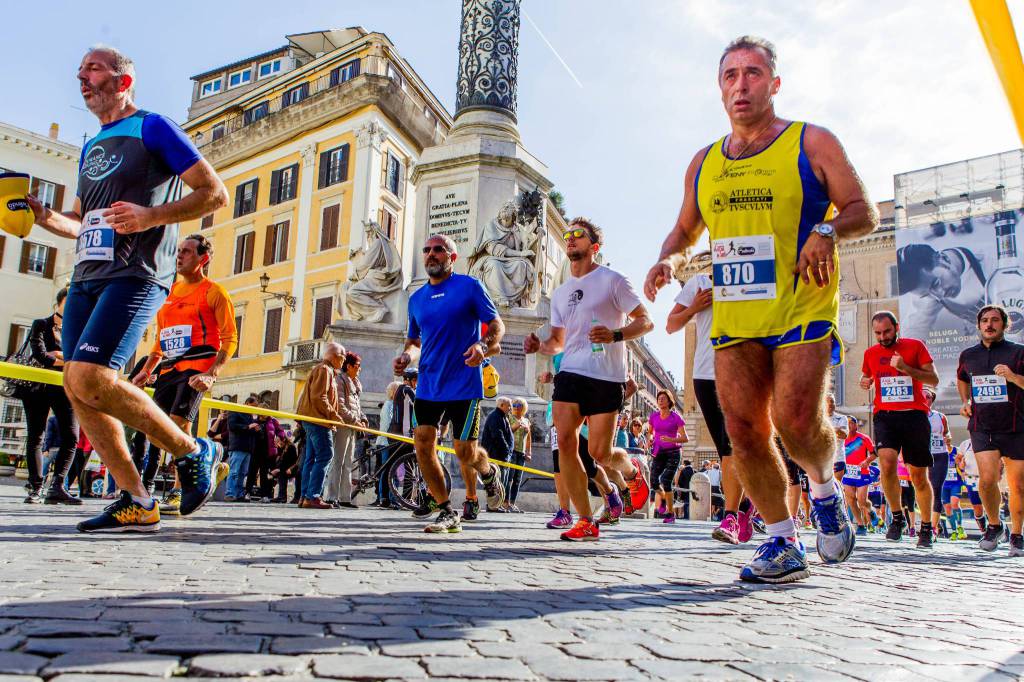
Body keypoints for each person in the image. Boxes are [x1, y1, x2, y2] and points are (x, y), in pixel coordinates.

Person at [643, 36, 878, 581]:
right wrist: (665, 259)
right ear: (720, 88)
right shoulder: (704, 162)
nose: (741, 84)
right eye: (730, 75)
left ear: (774, 84)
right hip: (735, 313)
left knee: (795, 420)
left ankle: (823, 489)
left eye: (753, 73)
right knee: (744, 430)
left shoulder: (811, 141)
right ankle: (781, 541)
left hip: (802, 303)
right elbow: (684, 228)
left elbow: (861, 210)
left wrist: (825, 229)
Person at [28, 46, 228, 532]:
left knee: (93, 377)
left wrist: (151, 216)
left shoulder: (153, 127)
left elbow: (213, 193)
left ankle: (192, 450)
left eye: (93, 69)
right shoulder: (92, 145)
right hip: (87, 277)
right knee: (78, 388)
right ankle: (136, 499)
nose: (82, 78)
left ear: (123, 79)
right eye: (79, 72)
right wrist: (42, 217)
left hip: (137, 273)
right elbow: (80, 222)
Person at [525, 217, 653, 541]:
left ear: (594, 247)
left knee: (600, 453)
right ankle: (585, 519)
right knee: (566, 442)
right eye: (567, 234)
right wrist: (540, 346)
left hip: (607, 376)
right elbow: (558, 341)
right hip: (570, 372)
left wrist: (615, 334)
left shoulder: (613, 280)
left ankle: (630, 472)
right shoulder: (561, 293)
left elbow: (646, 321)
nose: (570, 239)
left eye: (578, 235)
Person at [392, 234, 506, 533]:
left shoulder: (469, 286)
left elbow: (497, 325)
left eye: (438, 250)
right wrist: (406, 355)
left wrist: (482, 345)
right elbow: (415, 340)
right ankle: (445, 510)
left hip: (464, 384)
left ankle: (488, 470)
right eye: (426, 249)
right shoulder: (416, 299)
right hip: (429, 383)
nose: (431, 255)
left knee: (465, 452)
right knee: (422, 446)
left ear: (452, 257)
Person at [130, 234, 236, 513]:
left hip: (196, 369)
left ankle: (180, 489)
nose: (179, 256)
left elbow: (230, 339)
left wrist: (212, 374)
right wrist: (147, 370)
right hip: (168, 369)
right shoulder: (169, 292)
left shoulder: (214, 292)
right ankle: (206, 454)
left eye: (187, 252)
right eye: (179, 251)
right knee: (156, 430)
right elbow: (161, 338)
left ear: (204, 258)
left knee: (177, 426)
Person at [668, 255, 753, 542]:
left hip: (742, 374)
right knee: (724, 448)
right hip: (705, 375)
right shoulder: (699, 284)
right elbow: (670, 324)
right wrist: (695, 307)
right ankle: (742, 506)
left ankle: (730, 517)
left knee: (731, 448)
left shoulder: (754, 278)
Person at [861, 311, 939, 547]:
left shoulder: (915, 346)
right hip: (885, 416)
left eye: (887, 331)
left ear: (897, 327)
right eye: (877, 333)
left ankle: (926, 527)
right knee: (886, 463)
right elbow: (867, 377)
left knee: (918, 476)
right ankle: (896, 518)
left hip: (914, 415)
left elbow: (933, 379)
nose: (882, 337)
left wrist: (906, 368)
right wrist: (865, 382)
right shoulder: (870, 353)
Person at [956, 305, 1024, 555]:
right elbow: (963, 378)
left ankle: (1017, 534)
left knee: (1017, 485)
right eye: (985, 320)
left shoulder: (1018, 353)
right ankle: (995, 526)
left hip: (1016, 425)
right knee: (987, 480)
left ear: (1005, 325)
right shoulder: (968, 355)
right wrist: (965, 402)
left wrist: (1013, 377)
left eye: (995, 320)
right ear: (979, 325)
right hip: (982, 425)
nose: (989, 324)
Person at [20, 287, 80, 505]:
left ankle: (58, 486)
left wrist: (60, 357)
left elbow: (81, 359)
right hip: (37, 388)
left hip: (64, 387)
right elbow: (41, 356)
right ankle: (35, 487)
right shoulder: (41, 324)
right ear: (60, 301)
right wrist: (67, 358)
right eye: (70, 299)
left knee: (72, 437)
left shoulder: (78, 329)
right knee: (36, 435)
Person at [296, 342, 346, 509]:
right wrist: (334, 415)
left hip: (313, 420)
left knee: (311, 459)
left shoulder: (323, 369)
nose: (344, 359)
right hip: (319, 420)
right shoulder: (325, 370)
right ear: (333, 356)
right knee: (325, 455)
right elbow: (320, 397)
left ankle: (304, 496)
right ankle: (313, 496)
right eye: (342, 356)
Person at [325, 351, 367, 508]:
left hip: (352, 425)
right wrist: (356, 420)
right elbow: (341, 406)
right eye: (357, 366)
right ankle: (332, 496)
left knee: (348, 462)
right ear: (348, 366)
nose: (359, 369)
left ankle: (345, 497)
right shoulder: (340, 380)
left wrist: (362, 418)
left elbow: (356, 406)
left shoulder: (354, 381)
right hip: (343, 424)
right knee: (338, 461)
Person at [648, 390, 687, 523]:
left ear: (669, 401)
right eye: (659, 398)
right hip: (659, 451)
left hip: (673, 452)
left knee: (666, 479)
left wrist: (670, 439)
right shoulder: (653, 416)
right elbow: (650, 433)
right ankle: (664, 498)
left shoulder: (676, 417)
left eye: (663, 398)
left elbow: (685, 438)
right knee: (653, 481)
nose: (660, 400)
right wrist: (650, 439)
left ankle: (670, 514)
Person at [923, 387, 954, 538]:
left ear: (932, 400)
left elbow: (947, 432)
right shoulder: (913, 416)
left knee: (936, 489)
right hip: (921, 455)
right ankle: (925, 522)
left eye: (928, 397)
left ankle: (932, 528)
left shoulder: (940, 416)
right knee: (921, 488)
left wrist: (948, 438)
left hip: (939, 454)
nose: (925, 399)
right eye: (921, 396)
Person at [840, 415, 877, 536]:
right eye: (847, 423)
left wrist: (867, 462)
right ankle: (861, 525)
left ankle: (870, 510)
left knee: (862, 501)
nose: (849, 425)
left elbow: (874, 453)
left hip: (862, 473)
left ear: (856, 425)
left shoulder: (863, 438)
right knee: (850, 499)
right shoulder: (841, 439)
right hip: (847, 473)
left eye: (851, 423)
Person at [480, 398, 515, 511]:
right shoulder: (495, 416)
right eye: (509, 406)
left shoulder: (502, 416)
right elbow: (498, 436)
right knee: (497, 482)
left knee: (502, 482)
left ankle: (497, 505)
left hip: (503, 456)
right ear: (501, 405)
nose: (511, 408)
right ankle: (493, 506)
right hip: (497, 455)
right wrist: (506, 450)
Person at [225, 396, 260, 502]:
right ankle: (230, 493)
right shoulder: (235, 411)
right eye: (253, 406)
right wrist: (248, 427)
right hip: (237, 446)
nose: (254, 409)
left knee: (243, 473)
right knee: (234, 472)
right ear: (247, 403)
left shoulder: (250, 416)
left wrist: (256, 429)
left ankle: (239, 494)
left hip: (248, 448)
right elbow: (232, 426)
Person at [503, 398, 532, 513]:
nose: (515, 406)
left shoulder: (526, 421)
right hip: (511, 451)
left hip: (522, 453)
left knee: (517, 480)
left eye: (518, 404)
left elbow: (529, 438)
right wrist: (514, 427)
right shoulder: (508, 418)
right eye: (514, 404)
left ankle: (513, 503)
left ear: (523, 407)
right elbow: (506, 432)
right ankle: (505, 503)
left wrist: (529, 452)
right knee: (509, 478)